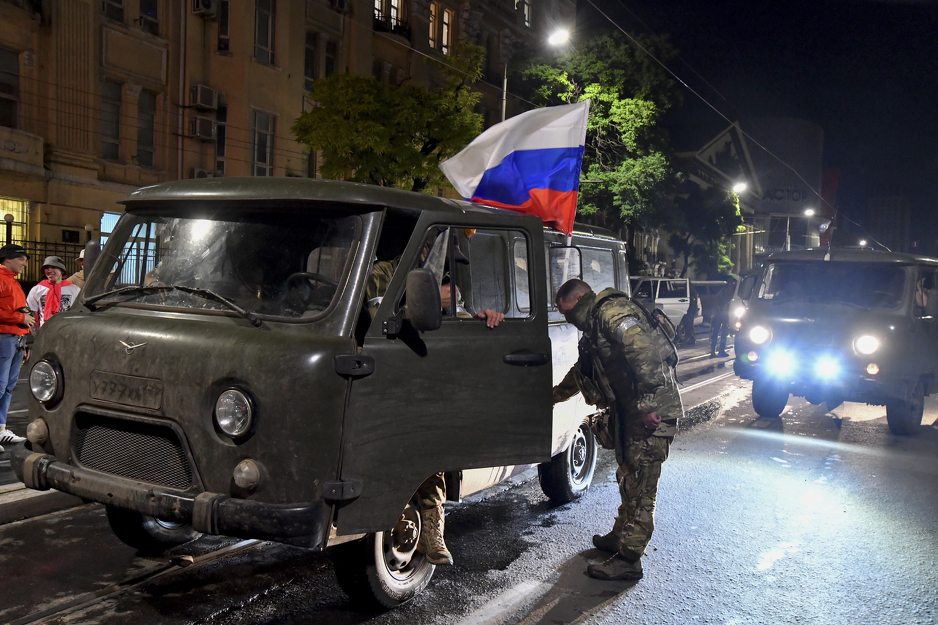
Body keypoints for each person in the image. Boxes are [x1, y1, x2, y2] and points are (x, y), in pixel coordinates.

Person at [552, 279, 683, 581]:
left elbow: (645, 352)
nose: (569, 319)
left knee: (641, 487)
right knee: (627, 475)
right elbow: (582, 372)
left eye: (568, 312)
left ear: (581, 299)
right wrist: (555, 396)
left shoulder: (612, 314)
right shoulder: (595, 327)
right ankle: (621, 536)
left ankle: (629, 560)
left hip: (650, 411)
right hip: (630, 412)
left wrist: (650, 404)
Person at [0, 244, 35, 451]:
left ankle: (1, 429)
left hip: (15, 339)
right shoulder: (3, 279)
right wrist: (20, 318)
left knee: (8, 386)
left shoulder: (12, 281)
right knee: (1, 385)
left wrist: (25, 338)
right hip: (4, 337)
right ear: (8, 258)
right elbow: (17, 313)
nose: (24, 263)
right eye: (21, 258)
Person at [27, 256, 81, 330]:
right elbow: (32, 316)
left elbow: (79, 314)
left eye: (53, 267)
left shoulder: (75, 290)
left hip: (68, 332)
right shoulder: (37, 290)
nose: (49, 270)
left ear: (62, 270)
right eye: (46, 268)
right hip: (45, 332)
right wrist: (36, 335)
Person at [709, 278, 736, 358]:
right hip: (724, 315)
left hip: (720, 315)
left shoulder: (723, 291)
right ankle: (719, 351)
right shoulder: (730, 292)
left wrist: (713, 314)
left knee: (717, 333)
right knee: (722, 334)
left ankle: (714, 351)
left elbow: (716, 302)